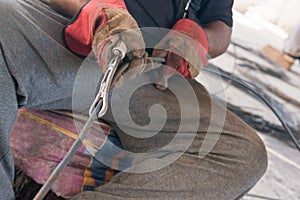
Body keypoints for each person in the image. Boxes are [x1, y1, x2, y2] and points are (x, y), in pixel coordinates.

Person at [0, 0, 268, 199]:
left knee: (238, 154)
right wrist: (96, 9)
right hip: (60, 27)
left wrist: (201, 38)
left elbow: (220, 25)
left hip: (148, 70)